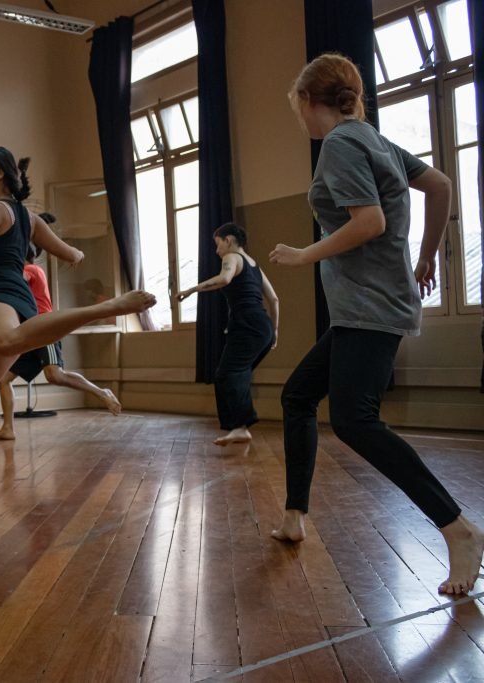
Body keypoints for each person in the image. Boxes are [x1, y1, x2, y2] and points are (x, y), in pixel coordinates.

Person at [269, 53, 483, 595]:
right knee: (298, 397)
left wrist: (305, 254)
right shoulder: (376, 139)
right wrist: (427, 256)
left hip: (368, 305)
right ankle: (295, 514)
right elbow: (439, 184)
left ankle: (457, 529)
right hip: (364, 307)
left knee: (354, 420)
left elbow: (370, 222)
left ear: (305, 101)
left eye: (297, 105)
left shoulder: (341, 144)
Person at [0, 147, 156, 500]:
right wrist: (75, 254)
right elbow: (73, 253)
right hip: (21, 297)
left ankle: (104, 309)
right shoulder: (30, 219)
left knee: (6, 341)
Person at [0, 219, 121, 442]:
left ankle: (102, 393)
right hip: (29, 332)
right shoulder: (26, 269)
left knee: (55, 375)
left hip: (45, 328)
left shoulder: (32, 270)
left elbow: (19, 280)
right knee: (3, 379)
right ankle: (8, 428)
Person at [176, 222, 279, 446]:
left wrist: (190, 290)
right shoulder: (255, 265)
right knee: (237, 373)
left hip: (247, 325)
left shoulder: (231, 258)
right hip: (263, 327)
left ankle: (240, 427)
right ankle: (240, 427)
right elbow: (274, 299)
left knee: (227, 374)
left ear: (228, 240)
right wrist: (275, 330)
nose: (217, 250)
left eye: (217, 244)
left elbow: (224, 279)